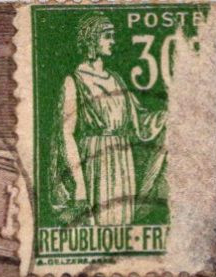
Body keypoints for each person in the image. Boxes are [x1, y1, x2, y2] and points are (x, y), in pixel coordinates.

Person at [54, 13, 167, 227]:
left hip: (122, 160)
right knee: (100, 223)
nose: (113, 41)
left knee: (121, 223)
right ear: (92, 40)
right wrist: (79, 184)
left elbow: (138, 120)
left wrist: (167, 117)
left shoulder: (116, 79)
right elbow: (65, 134)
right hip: (96, 160)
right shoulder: (74, 81)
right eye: (107, 36)